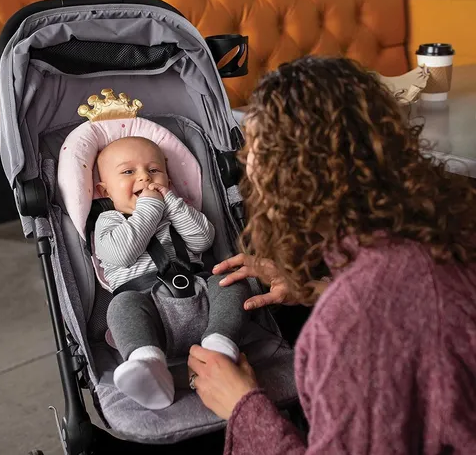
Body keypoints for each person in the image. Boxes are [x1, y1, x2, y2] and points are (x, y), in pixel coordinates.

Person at [187, 57, 476, 454]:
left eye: (253, 159)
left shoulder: (346, 326)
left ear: (287, 180)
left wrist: (241, 404)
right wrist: (320, 288)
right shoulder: (448, 226)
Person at [94, 136, 250, 410]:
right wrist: (149, 208)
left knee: (230, 281)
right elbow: (122, 253)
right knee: (121, 306)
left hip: (199, 298)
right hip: (148, 313)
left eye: (154, 170)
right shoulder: (108, 221)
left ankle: (220, 344)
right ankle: (148, 363)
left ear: (168, 179)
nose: (144, 177)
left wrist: (172, 204)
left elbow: (203, 240)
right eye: (129, 172)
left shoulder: (178, 211)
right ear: (104, 190)